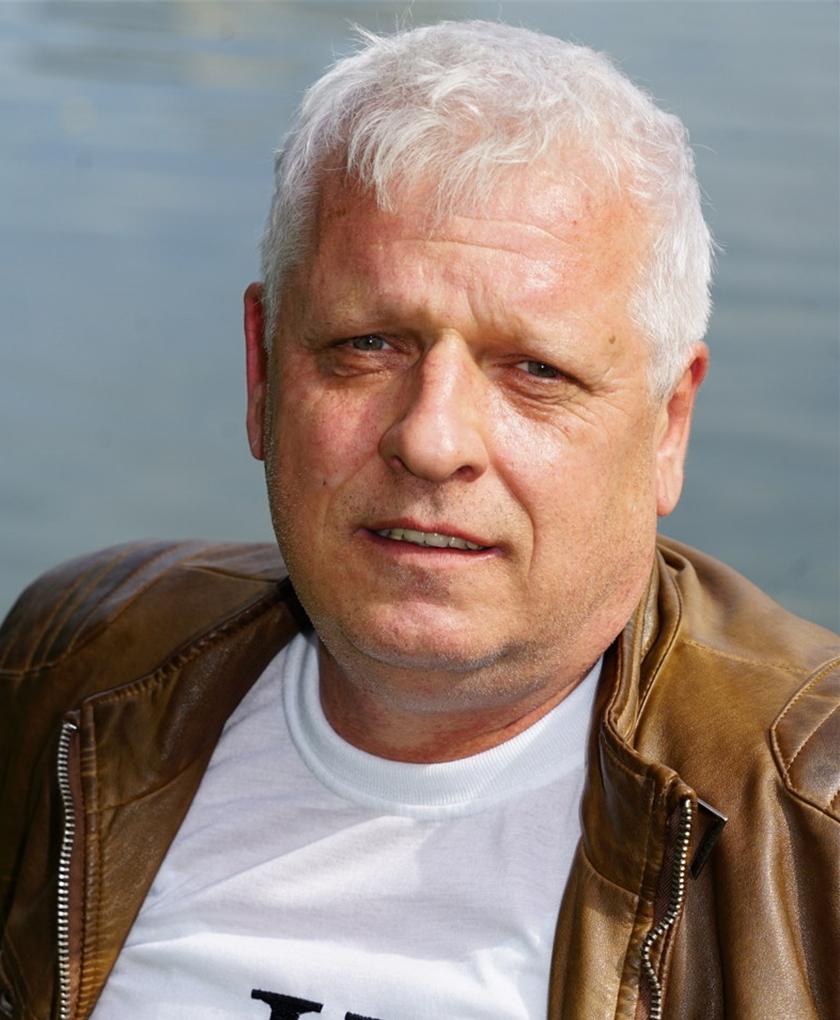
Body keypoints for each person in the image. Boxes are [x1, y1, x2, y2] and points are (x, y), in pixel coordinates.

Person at [0, 19, 837, 1020]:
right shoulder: (67, 669)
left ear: (668, 424)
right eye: (368, 344)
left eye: (535, 370)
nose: (432, 440)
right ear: (262, 369)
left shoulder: (815, 825)